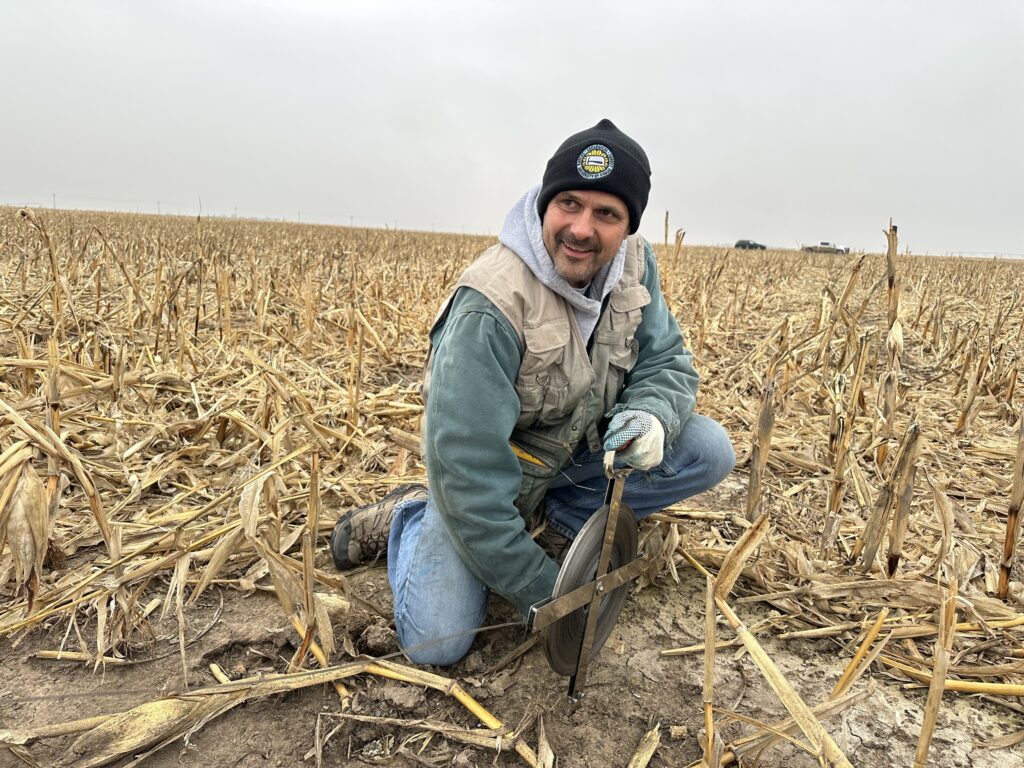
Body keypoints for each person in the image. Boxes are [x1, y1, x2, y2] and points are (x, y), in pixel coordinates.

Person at [331, 119, 735, 666]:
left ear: (628, 226)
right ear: (546, 202)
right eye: (568, 203)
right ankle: (413, 514)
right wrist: (551, 594)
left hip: (573, 459)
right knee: (438, 644)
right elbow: (470, 472)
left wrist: (649, 414)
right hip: (486, 481)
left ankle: (562, 517)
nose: (581, 228)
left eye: (607, 214)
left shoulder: (634, 266)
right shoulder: (491, 305)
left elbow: (667, 359)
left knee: (707, 449)